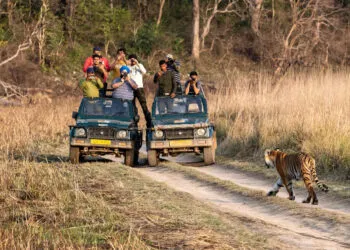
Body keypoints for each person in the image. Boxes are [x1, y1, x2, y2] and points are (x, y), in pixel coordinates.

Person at [128, 54, 152, 128]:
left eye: (134, 59)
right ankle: (134, 124)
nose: (132, 61)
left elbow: (144, 72)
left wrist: (137, 63)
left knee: (143, 105)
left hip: (139, 88)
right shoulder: (128, 67)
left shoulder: (139, 65)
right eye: (131, 60)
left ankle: (149, 123)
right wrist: (127, 63)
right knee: (132, 106)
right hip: (130, 88)